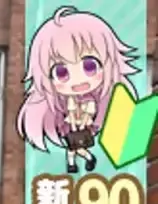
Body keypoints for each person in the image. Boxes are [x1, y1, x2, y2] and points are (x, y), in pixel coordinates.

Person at [16, 5, 138, 173]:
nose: (77, 80)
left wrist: (81, 123)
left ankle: (84, 160)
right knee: (72, 148)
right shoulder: (63, 101)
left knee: (74, 148)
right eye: (61, 72)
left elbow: (89, 115)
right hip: (72, 129)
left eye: (89, 66)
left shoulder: (95, 100)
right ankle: (78, 163)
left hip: (82, 128)